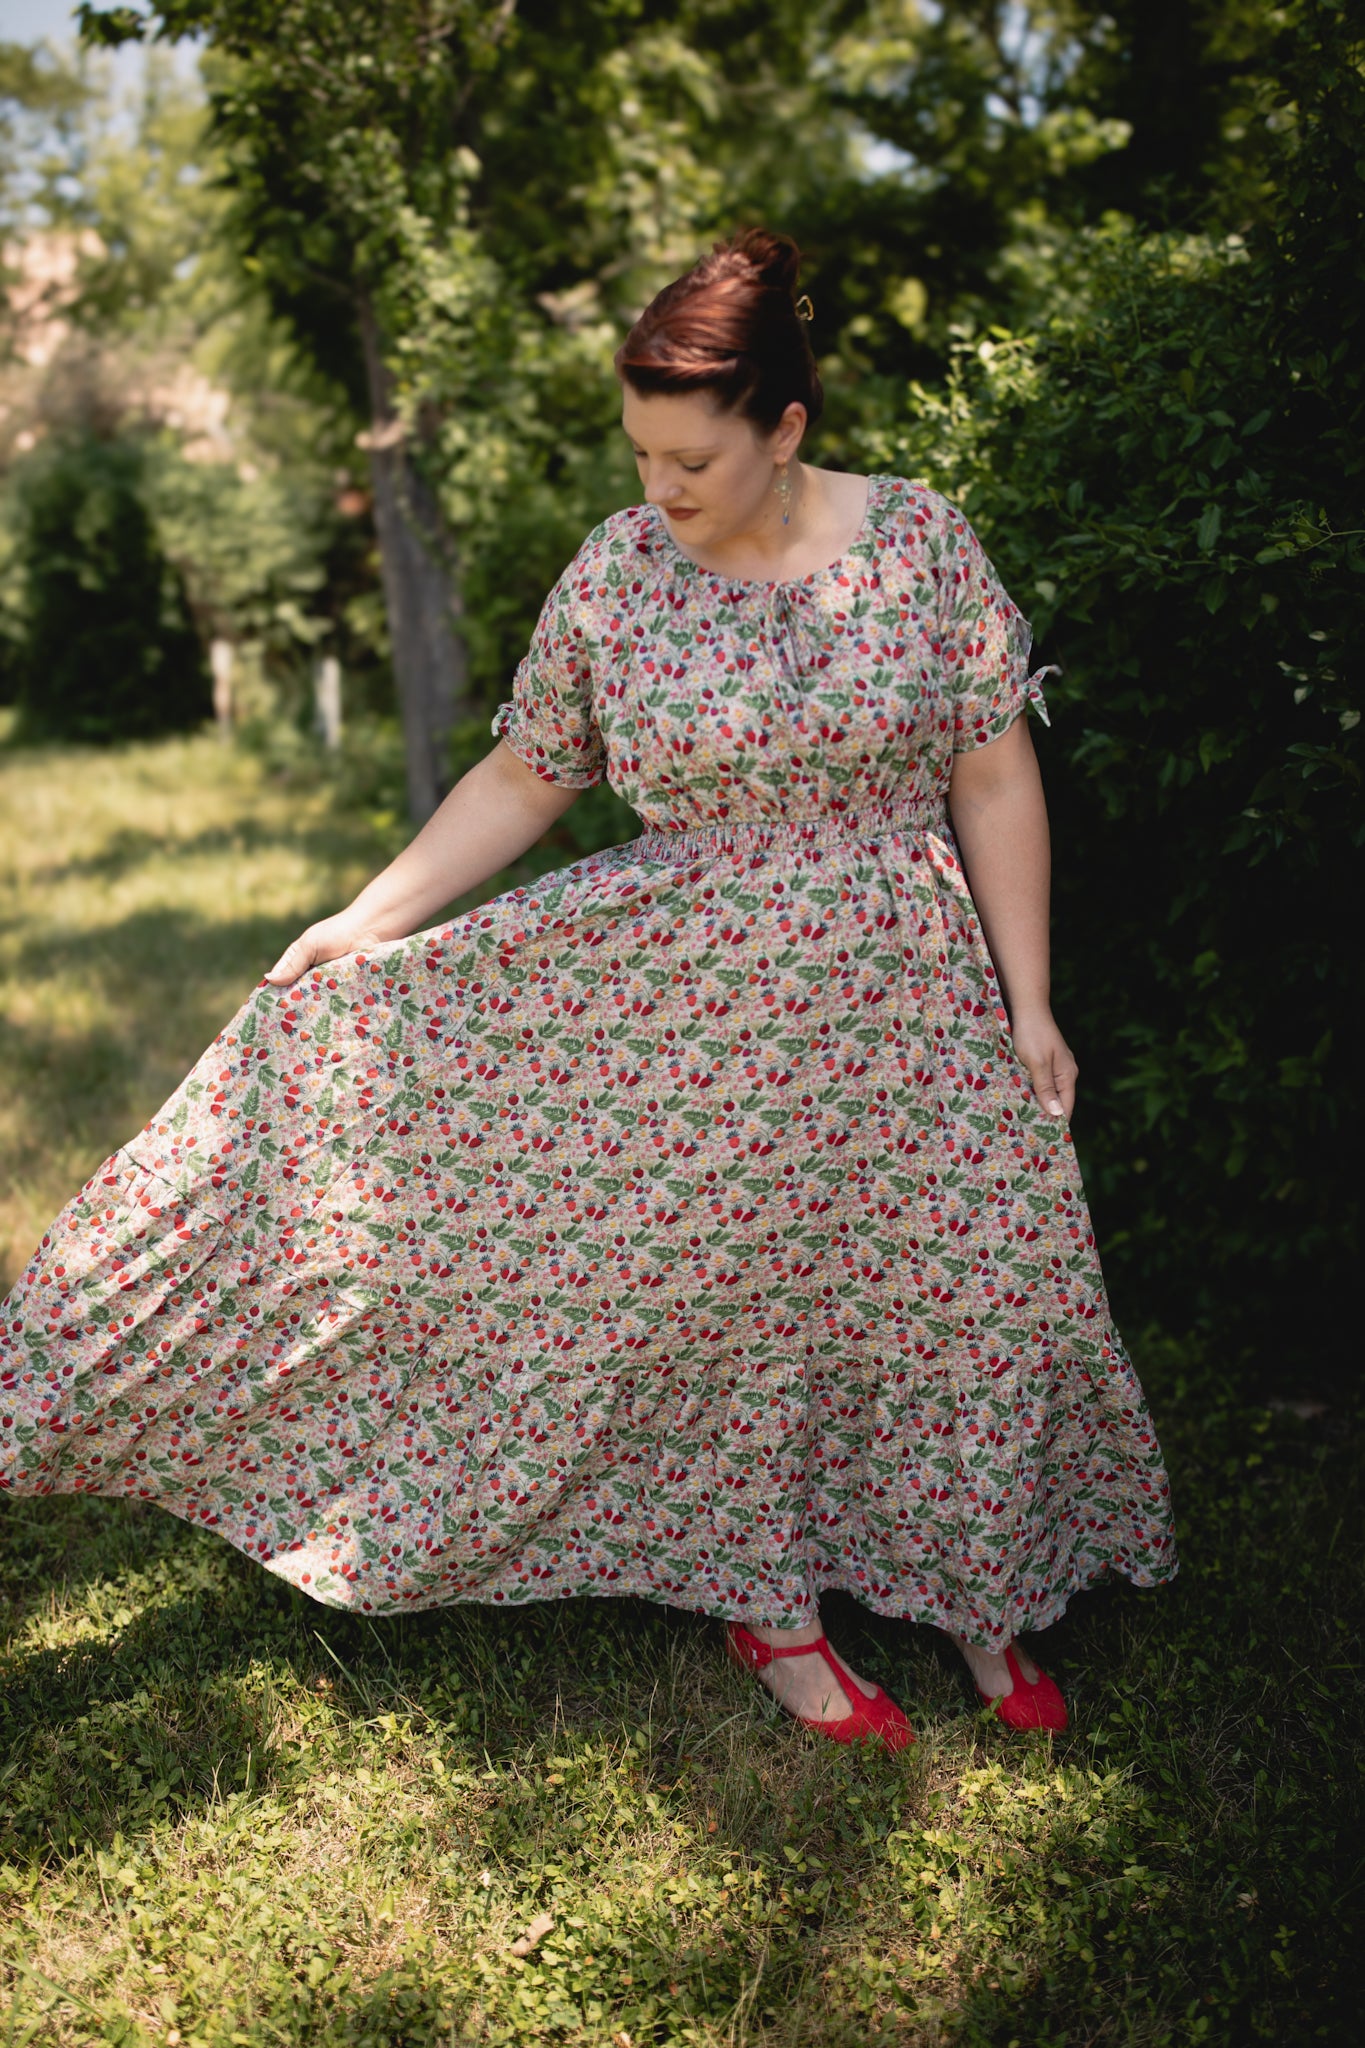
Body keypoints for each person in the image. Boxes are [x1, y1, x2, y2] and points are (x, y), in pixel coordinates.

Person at [0, 228, 1177, 1752]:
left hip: (911, 995)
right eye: (639, 454)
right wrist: (364, 918)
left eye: (690, 459)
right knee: (728, 1305)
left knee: (965, 1283)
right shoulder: (620, 573)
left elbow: (992, 773)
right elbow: (527, 772)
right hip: (687, 1009)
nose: (658, 487)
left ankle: (979, 1587)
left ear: (784, 430)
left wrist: (1029, 1001)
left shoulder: (920, 547)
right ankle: (768, 1606)